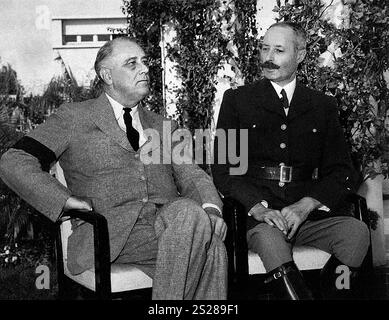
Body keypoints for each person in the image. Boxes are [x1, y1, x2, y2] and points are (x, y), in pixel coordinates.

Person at [0, 37, 228, 300]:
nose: (144, 68)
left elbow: (192, 175)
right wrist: (64, 200)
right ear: (107, 74)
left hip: (170, 225)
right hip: (108, 234)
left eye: (145, 62)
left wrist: (211, 210)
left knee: (192, 217)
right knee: (212, 248)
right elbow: (14, 160)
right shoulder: (74, 117)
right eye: (132, 63)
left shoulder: (163, 124)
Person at [212, 22, 369, 300]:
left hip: (307, 217)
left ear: (301, 55)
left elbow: (342, 170)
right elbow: (225, 170)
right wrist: (258, 208)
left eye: (279, 50)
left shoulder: (322, 105)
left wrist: (306, 205)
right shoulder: (237, 101)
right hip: (260, 219)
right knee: (272, 242)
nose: (268, 57)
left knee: (356, 233)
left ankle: (333, 293)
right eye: (264, 49)